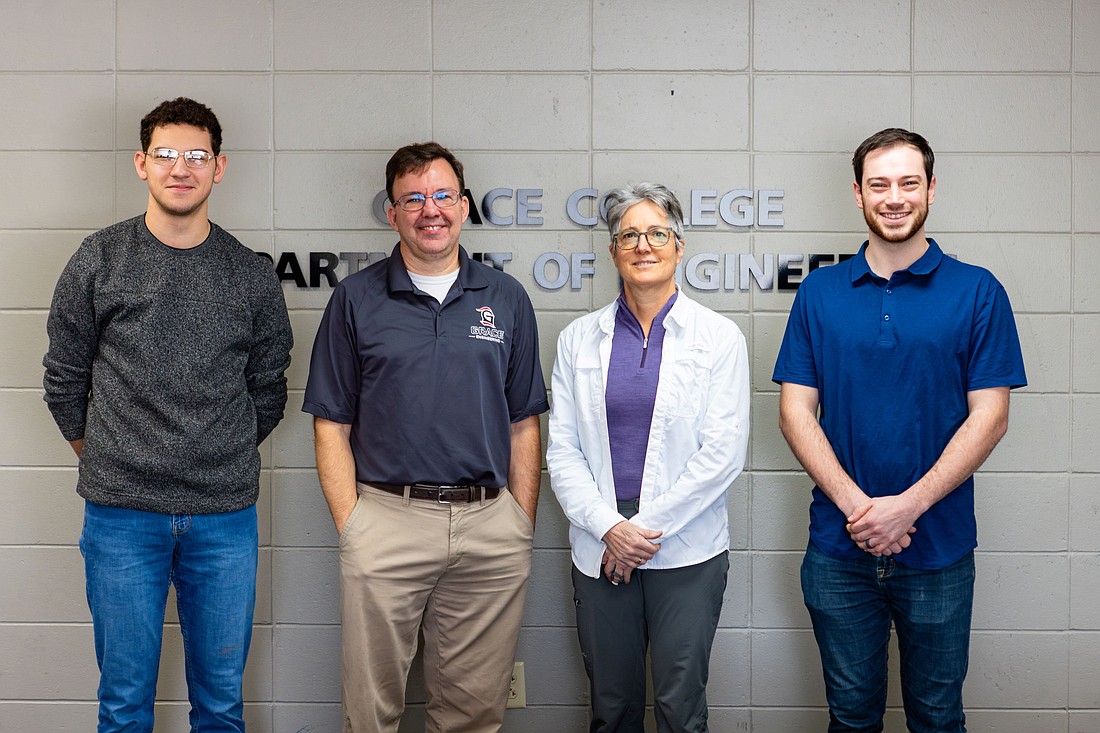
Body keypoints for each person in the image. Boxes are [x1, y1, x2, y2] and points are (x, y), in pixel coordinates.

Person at [43, 97, 292, 732]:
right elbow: (64, 380)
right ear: (141, 163)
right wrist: (109, 453)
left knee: (221, 706)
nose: (181, 168)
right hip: (122, 516)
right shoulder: (99, 260)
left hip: (224, 520)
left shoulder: (247, 274)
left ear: (220, 167)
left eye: (196, 156)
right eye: (166, 155)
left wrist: (219, 451)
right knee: (125, 704)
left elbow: (269, 386)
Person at [772, 128, 1027, 732]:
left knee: (937, 718)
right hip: (839, 548)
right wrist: (861, 509)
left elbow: (990, 417)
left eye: (908, 183)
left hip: (938, 550)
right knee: (851, 718)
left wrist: (906, 508)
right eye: (879, 184)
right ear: (857, 194)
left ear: (931, 190)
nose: (894, 197)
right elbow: (794, 412)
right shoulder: (819, 292)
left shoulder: (978, 291)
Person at [303, 141, 548, 733]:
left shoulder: (506, 298)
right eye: (412, 198)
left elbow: (524, 421)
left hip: (490, 527)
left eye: (442, 195)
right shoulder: (355, 300)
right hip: (386, 519)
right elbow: (330, 423)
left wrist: (519, 521)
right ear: (392, 213)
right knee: (371, 708)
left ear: (464, 206)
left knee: (474, 710)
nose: (429, 210)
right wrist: (353, 526)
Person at [546, 183, 750, 733]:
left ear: (678, 246)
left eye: (657, 233)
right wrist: (610, 527)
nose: (643, 245)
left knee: (680, 706)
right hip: (601, 542)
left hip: (685, 547)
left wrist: (639, 532)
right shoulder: (577, 340)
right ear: (613, 251)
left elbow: (724, 454)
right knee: (611, 707)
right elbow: (561, 451)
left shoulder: (719, 337)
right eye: (629, 235)